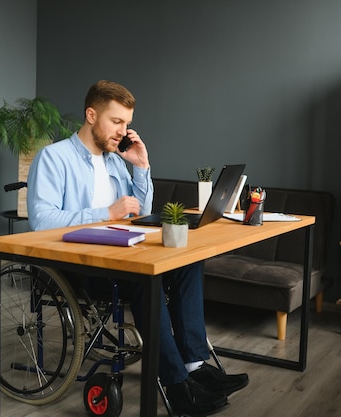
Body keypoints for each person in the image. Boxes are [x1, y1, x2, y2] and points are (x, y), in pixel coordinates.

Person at [27, 80, 248, 416]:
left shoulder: (117, 161)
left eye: (127, 123)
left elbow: (140, 214)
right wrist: (106, 214)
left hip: (122, 251)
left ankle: (194, 367)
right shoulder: (54, 158)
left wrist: (141, 166)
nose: (123, 131)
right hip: (80, 263)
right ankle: (176, 387)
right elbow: (41, 222)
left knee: (187, 261)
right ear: (91, 115)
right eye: (117, 122)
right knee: (146, 280)